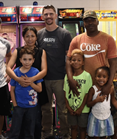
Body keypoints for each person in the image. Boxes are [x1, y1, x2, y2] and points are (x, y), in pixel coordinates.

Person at [66, 10, 117, 104]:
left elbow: (114, 62)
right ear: (84, 23)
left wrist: (109, 84)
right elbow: (68, 60)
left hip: (101, 84)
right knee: (83, 113)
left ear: (97, 22)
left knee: (102, 113)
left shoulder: (108, 39)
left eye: (92, 20)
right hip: (81, 84)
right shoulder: (76, 40)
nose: (90, 23)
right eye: (87, 21)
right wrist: (70, 79)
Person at [37, 5, 72, 139]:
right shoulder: (39, 34)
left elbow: (68, 57)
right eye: (46, 14)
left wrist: (69, 76)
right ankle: (47, 133)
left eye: (51, 14)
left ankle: (65, 133)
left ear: (56, 16)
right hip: (44, 78)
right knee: (45, 109)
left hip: (60, 78)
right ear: (42, 16)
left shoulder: (64, 34)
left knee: (62, 109)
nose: (48, 16)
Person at [6, 26, 48, 139]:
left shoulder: (41, 51)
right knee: (18, 121)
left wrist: (31, 80)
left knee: (34, 120)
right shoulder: (18, 51)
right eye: (27, 36)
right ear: (23, 37)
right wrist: (18, 79)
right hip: (20, 88)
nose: (30, 39)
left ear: (36, 37)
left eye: (32, 36)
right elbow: (8, 68)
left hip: (35, 87)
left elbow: (44, 71)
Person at [87, 66, 117, 138]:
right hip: (95, 117)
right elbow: (88, 104)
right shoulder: (92, 89)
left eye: (104, 77)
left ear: (108, 78)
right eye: (99, 76)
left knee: (104, 136)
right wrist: (96, 100)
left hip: (106, 117)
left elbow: (114, 101)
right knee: (95, 136)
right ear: (95, 77)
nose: (101, 79)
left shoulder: (111, 89)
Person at [9, 48, 43, 139]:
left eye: (29, 59)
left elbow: (39, 89)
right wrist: (15, 105)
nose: (27, 62)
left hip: (32, 107)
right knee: (15, 130)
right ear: (20, 60)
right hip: (19, 106)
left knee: (29, 131)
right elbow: (12, 89)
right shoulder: (16, 72)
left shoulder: (36, 72)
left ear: (33, 60)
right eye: (24, 59)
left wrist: (31, 83)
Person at [63, 49, 92, 139]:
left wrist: (81, 108)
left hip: (83, 109)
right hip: (71, 108)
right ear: (70, 62)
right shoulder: (67, 76)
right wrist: (68, 106)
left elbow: (87, 93)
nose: (76, 62)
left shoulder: (87, 76)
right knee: (73, 127)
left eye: (79, 60)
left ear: (83, 62)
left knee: (82, 128)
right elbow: (65, 92)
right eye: (73, 60)